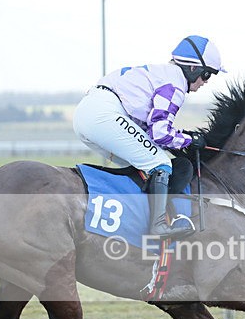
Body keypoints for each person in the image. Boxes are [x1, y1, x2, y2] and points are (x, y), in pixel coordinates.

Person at [73, 35, 225, 240]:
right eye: (207, 75)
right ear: (193, 69)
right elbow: (160, 133)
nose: (206, 82)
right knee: (160, 162)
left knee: (143, 164)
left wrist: (181, 137)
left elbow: (152, 130)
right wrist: (189, 141)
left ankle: (132, 219)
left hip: (90, 113)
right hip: (104, 114)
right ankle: (158, 226)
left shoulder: (163, 74)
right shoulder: (175, 84)